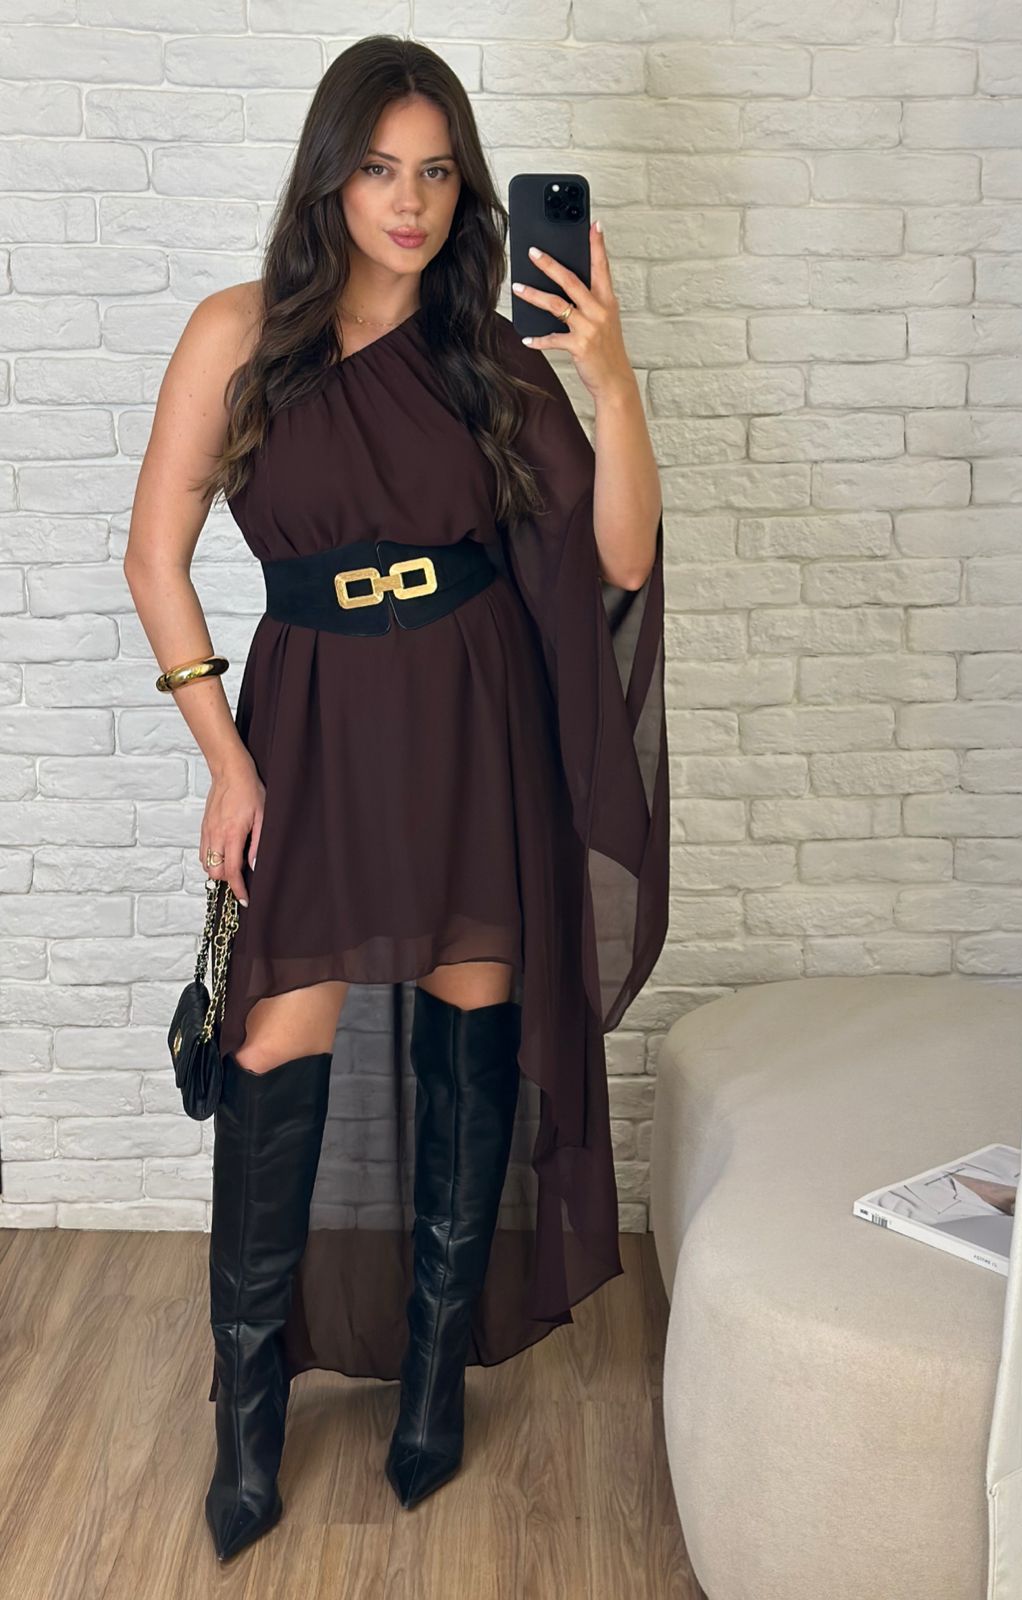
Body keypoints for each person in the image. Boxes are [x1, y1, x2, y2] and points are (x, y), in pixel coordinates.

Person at [124, 34, 669, 1566]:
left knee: (467, 1040)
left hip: (473, 716)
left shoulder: (487, 353)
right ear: (330, 178)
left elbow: (619, 557)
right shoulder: (237, 332)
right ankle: (247, 1415)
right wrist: (227, 760)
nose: (410, 201)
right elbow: (155, 558)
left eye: (436, 172)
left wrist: (608, 374)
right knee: (272, 1041)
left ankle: (432, 1378)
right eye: (379, 169)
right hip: (306, 722)